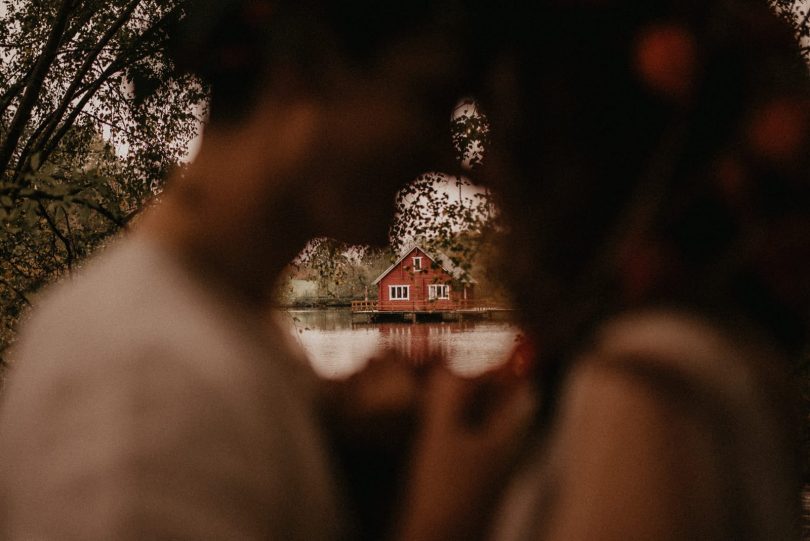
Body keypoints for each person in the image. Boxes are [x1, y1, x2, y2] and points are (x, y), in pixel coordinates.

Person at [0, 1, 538, 539]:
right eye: (429, 100)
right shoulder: (144, 373)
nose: (451, 158)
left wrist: (339, 437)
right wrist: (442, 527)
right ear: (303, 73)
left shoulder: (213, 329)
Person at [408, 0, 810, 539]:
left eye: (500, 125)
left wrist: (436, 524)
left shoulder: (643, 386)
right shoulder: (705, 357)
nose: (482, 173)